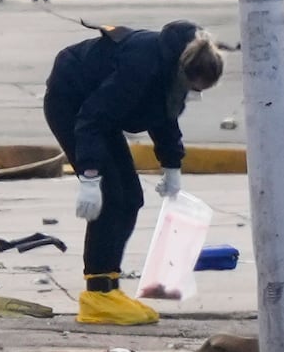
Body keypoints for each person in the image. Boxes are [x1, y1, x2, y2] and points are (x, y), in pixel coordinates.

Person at [44, 21, 225, 326]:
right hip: (72, 102)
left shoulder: (173, 68)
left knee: (131, 198)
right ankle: (97, 296)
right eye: (194, 89)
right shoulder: (141, 66)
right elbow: (92, 117)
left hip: (100, 112)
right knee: (111, 197)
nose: (193, 96)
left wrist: (172, 167)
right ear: (184, 74)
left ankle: (110, 286)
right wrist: (89, 177)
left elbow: (162, 117)